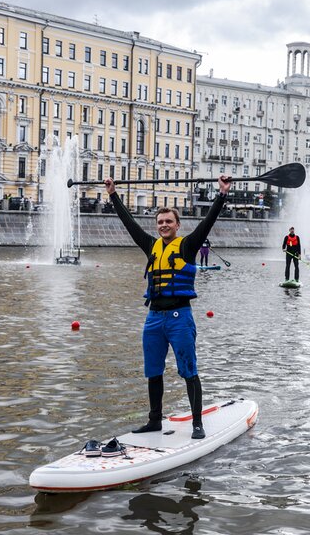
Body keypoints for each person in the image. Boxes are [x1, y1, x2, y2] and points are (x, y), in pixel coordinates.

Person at [105, 174, 232, 440]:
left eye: (168, 222)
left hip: (179, 317)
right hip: (153, 318)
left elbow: (208, 223)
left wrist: (222, 194)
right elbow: (129, 224)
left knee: (189, 371)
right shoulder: (150, 245)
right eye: (160, 222)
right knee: (153, 371)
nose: (164, 225)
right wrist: (113, 194)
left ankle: (197, 423)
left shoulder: (188, 245)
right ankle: (154, 420)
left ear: (177, 225)